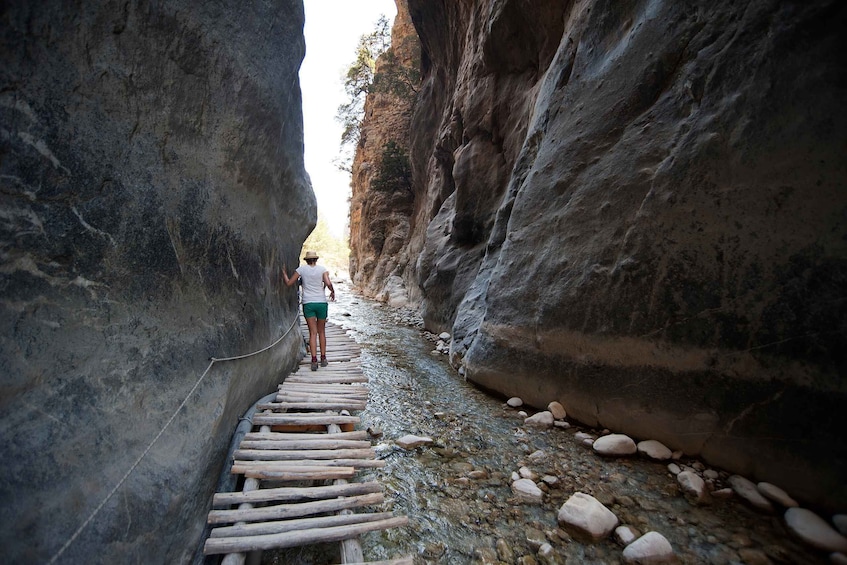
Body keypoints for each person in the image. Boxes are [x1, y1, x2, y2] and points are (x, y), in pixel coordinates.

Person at [282, 251, 335, 371]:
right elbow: (328, 283)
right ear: (316, 259)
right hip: (321, 303)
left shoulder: (301, 270)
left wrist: (284, 273)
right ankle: (324, 358)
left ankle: (314, 360)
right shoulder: (322, 269)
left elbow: (289, 283)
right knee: (322, 332)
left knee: (312, 333)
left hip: (308, 303)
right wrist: (332, 291)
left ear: (306, 260)